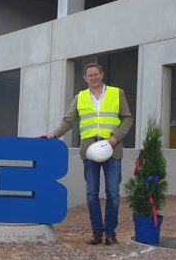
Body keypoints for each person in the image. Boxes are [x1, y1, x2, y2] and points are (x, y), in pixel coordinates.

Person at [42, 63, 133, 245]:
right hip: (90, 151)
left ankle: (110, 233)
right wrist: (54, 134)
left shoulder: (117, 93)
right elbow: (69, 120)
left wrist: (116, 138)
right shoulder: (80, 97)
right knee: (91, 194)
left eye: (96, 74)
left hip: (112, 148)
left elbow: (128, 118)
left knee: (113, 193)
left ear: (102, 74)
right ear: (85, 78)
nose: (93, 78)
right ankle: (97, 232)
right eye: (90, 75)